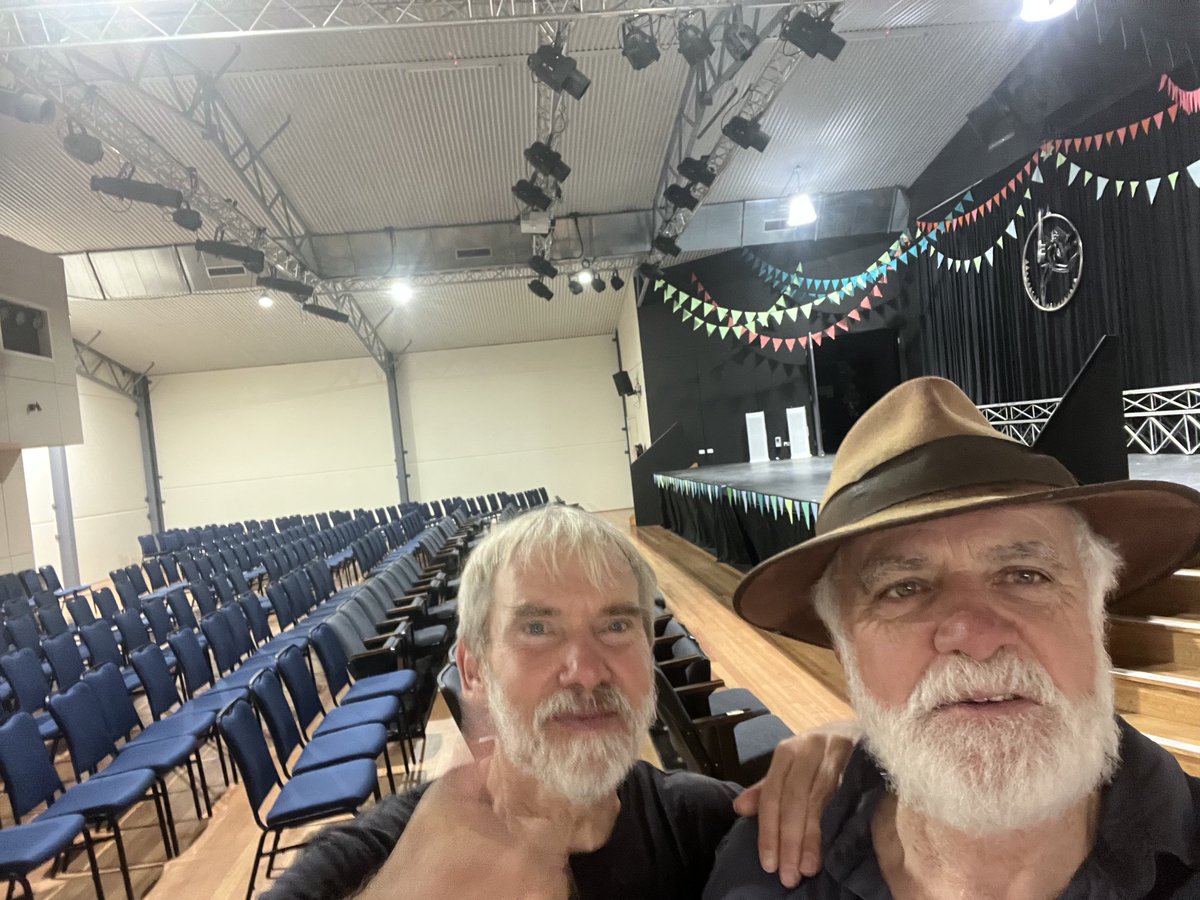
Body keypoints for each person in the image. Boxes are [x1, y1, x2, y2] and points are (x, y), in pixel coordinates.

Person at [705, 376, 1200, 899]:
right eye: (904, 589)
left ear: (1097, 610)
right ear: (844, 646)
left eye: (1025, 575)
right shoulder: (755, 879)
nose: (976, 638)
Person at [264, 504, 858, 900]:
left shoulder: (706, 824)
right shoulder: (377, 859)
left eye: (616, 626)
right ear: (474, 668)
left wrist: (858, 749)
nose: (585, 671)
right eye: (538, 630)